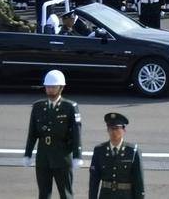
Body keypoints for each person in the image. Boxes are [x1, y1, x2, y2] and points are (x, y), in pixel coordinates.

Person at [23, 70, 83, 199]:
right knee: (43, 194)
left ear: (61, 88)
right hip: (43, 157)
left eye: (53, 87)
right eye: (47, 87)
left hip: (62, 156)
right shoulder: (38, 107)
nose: (50, 90)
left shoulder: (69, 107)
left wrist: (77, 155)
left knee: (66, 194)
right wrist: (28, 153)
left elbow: (76, 133)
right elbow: (32, 133)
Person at [89, 113, 145, 199]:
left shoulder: (133, 151)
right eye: (111, 128)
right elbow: (94, 181)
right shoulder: (99, 150)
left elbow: (139, 182)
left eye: (117, 128)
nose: (114, 132)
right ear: (107, 130)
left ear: (124, 130)